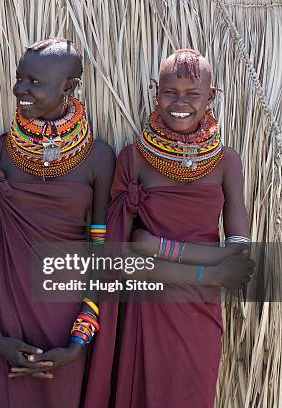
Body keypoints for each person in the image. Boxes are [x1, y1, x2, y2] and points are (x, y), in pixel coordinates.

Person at [0, 38, 116, 408]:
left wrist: (78, 341)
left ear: (68, 87)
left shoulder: (98, 158)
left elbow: (101, 255)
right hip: (3, 334)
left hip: (66, 336)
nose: (20, 89)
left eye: (34, 82)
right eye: (19, 79)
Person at [107, 48, 254, 407]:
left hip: (201, 311)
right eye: (170, 92)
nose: (180, 103)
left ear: (212, 96)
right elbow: (122, 259)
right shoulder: (134, 158)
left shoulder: (226, 162)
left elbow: (238, 257)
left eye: (193, 94)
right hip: (148, 307)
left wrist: (158, 246)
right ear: (156, 92)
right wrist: (210, 271)